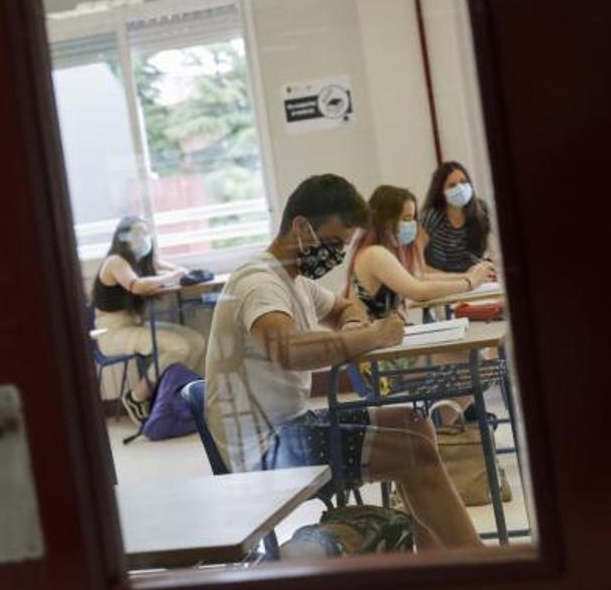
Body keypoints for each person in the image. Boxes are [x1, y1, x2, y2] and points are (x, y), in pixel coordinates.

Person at [205, 174, 483, 550]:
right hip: (267, 451)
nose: (336, 255)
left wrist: (352, 323)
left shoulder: (295, 280)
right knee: (414, 455)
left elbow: (343, 305)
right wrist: (369, 336)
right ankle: (476, 564)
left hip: (290, 427)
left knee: (414, 425)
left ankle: (430, 565)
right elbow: (289, 350)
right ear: (302, 227)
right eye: (333, 242)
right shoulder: (259, 282)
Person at [92, 216, 206, 421]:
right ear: (123, 237)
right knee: (179, 347)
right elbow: (136, 285)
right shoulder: (115, 261)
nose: (143, 238)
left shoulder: (141, 260)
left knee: (196, 341)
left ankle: (172, 397)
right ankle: (136, 397)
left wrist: (176, 272)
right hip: (113, 332)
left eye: (145, 233)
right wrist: (171, 277)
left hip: (134, 325)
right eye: (137, 233)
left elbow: (178, 271)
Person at [347, 185, 492, 320]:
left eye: (413, 219)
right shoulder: (375, 254)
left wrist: (466, 275)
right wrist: (470, 282)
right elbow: (419, 291)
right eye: (406, 219)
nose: (412, 225)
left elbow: (418, 278)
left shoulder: (384, 252)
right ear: (385, 220)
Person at [420, 162, 493, 275]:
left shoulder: (482, 210)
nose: (460, 188)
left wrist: (488, 266)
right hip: (443, 283)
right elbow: (417, 265)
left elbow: (494, 253)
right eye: (452, 185)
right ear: (441, 191)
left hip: (478, 283)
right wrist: (459, 279)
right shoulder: (430, 217)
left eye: (463, 182)